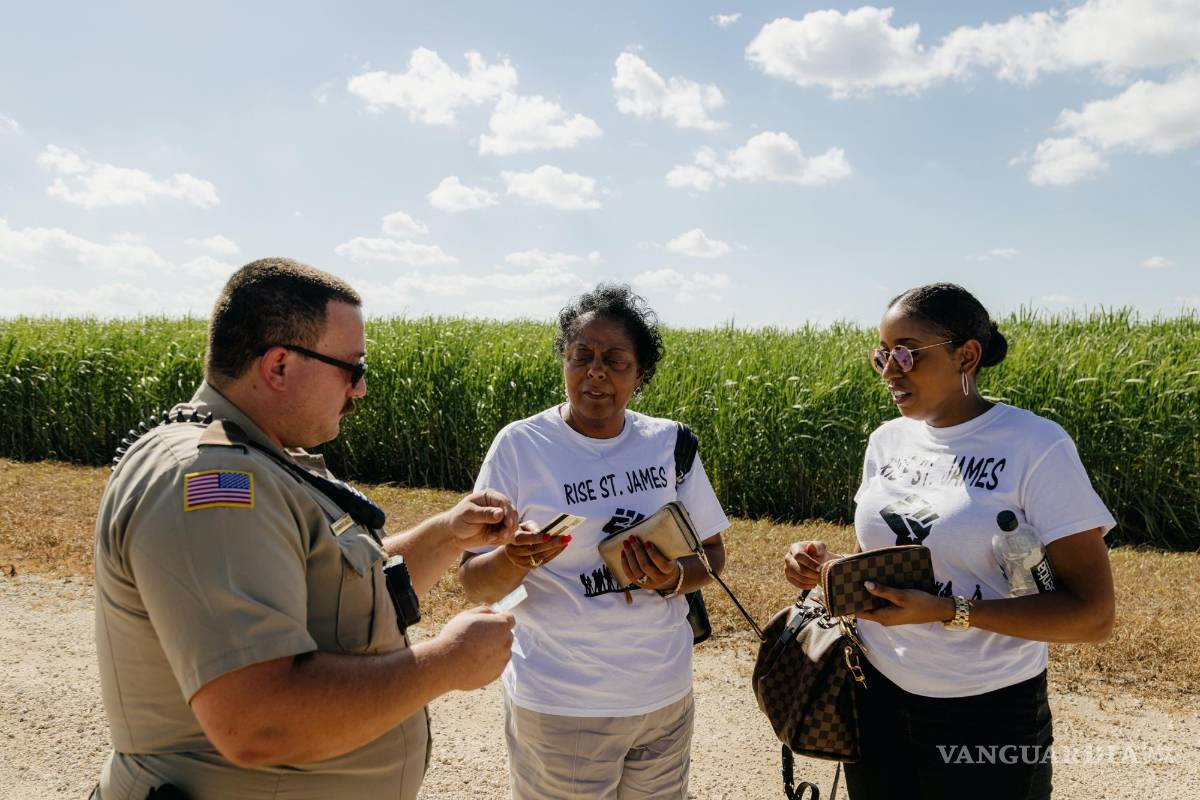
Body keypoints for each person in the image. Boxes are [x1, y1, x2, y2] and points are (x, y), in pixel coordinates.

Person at [92, 257, 518, 799]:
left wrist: (447, 534)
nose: (359, 389)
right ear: (279, 366)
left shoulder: (254, 457)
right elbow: (258, 721)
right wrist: (445, 662)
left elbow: (332, 587)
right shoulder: (217, 481)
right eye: (352, 367)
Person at [784, 283, 1116, 800]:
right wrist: (830, 567)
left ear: (967, 355)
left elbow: (1093, 616)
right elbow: (912, 557)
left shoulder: (1036, 445)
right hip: (875, 696)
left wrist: (946, 610)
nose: (890, 371)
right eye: (881, 355)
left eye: (905, 354)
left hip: (987, 713)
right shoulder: (886, 440)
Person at [458, 284, 730, 799]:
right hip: (562, 701)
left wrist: (673, 578)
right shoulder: (520, 446)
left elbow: (713, 556)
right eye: (581, 355)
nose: (596, 371)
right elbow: (474, 580)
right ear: (564, 362)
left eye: (615, 360)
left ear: (641, 374)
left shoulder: (669, 443)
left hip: (662, 698)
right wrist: (513, 559)